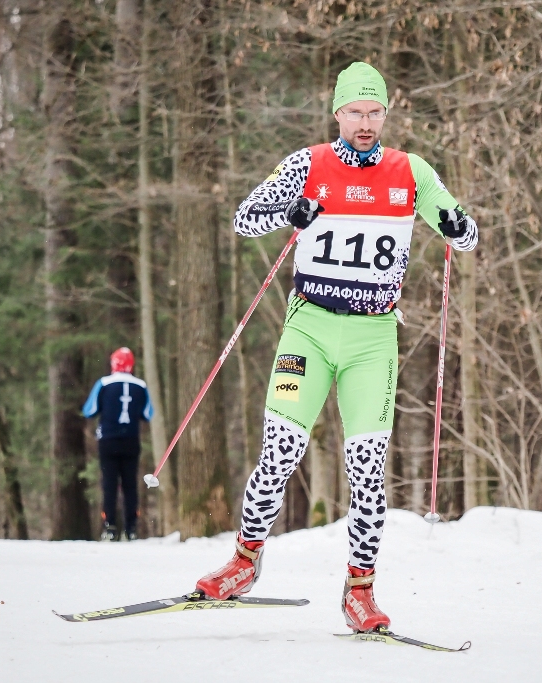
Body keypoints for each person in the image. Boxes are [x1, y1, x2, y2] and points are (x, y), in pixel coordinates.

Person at [194, 62, 478, 632]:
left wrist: (453, 220)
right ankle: (244, 562)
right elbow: (245, 219)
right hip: (310, 329)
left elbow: (466, 235)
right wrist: (288, 212)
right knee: (280, 451)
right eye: (355, 112)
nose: (366, 122)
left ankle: (360, 590)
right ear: (337, 113)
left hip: (373, 339)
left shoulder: (411, 172)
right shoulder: (307, 164)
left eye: (375, 112)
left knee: (367, 470)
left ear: (386, 113)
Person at [82, 347, 154, 541]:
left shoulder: (104, 383)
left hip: (108, 439)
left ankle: (110, 526)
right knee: (130, 484)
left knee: (109, 483)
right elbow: (148, 414)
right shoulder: (141, 385)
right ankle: (131, 528)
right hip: (131, 440)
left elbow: (89, 410)